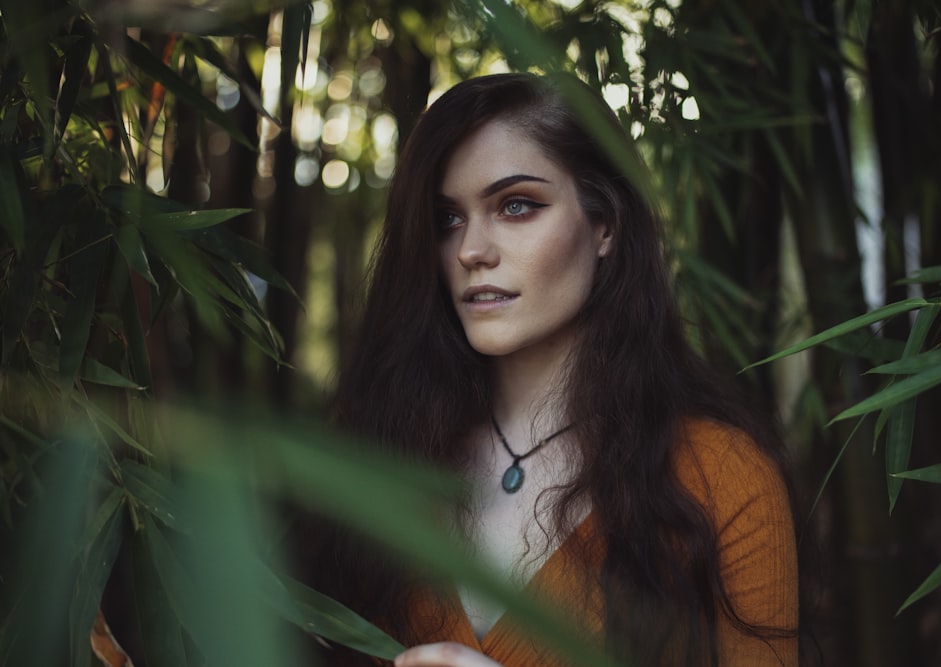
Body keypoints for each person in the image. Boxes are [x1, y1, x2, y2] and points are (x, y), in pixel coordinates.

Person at [311, 72, 799, 666]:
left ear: (605, 226)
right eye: (447, 219)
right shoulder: (377, 451)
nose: (471, 250)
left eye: (516, 205)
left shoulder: (723, 478)